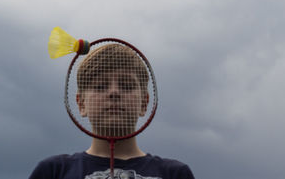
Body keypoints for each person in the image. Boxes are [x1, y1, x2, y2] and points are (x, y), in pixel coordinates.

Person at [30, 44, 195, 179]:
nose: (114, 92)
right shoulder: (53, 171)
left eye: (126, 86)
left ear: (144, 103)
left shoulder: (174, 174)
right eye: (100, 86)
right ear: (81, 104)